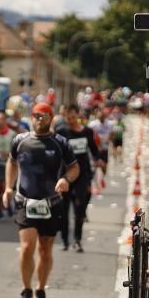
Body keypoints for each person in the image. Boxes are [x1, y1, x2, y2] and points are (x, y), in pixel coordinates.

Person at [3, 103, 78, 298]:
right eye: (36, 115)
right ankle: (26, 290)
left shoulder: (60, 142)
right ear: (32, 116)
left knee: (45, 249)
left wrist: (65, 179)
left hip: (51, 202)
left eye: (44, 115)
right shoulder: (20, 140)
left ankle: (41, 289)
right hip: (25, 201)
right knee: (27, 247)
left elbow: (74, 167)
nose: (39, 119)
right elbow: (12, 162)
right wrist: (8, 187)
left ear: (51, 118)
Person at [57, 105, 100, 253]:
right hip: (65, 176)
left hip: (82, 175)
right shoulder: (61, 132)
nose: (70, 120)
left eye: (73, 117)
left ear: (78, 115)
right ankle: (64, 240)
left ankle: (77, 240)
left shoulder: (87, 132)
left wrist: (100, 161)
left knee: (79, 208)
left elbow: (94, 151)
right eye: (67, 118)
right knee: (64, 209)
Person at [88, 109, 112, 189]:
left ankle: (101, 177)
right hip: (95, 149)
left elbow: (111, 134)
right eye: (99, 115)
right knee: (95, 166)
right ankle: (95, 182)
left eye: (102, 116)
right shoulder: (92, 125)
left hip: (104, 148)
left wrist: (108, 139)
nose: (101, 117)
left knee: (104, 168)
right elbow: (89, 135)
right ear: (97, 115)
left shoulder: (109, 124)